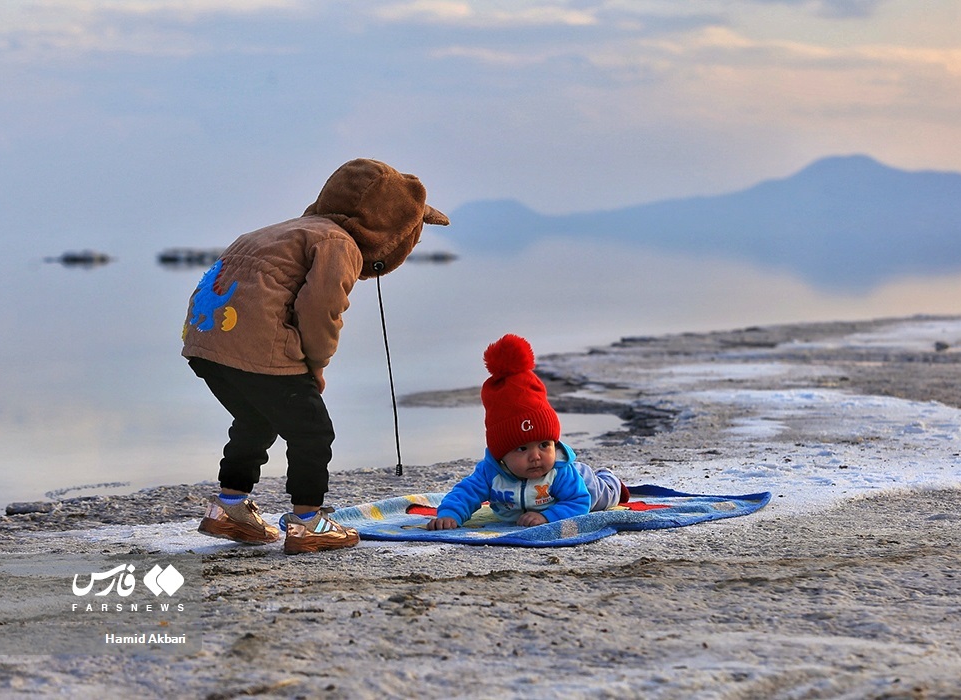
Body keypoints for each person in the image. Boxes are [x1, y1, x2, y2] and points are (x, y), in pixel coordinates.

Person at [183, 158, 449, 554]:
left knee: (255, 417)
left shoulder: (277, 231)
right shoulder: (338, 243)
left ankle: (229, 508)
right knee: (312, 431)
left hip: (205, 342)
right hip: (258, 343)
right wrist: (315, 365)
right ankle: (308, 521)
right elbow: (321, 308)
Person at [426, 334, 628, 530]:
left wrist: (546, 516)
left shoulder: (560, 471)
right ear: (501, 454)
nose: (536, 457)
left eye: (544, 445)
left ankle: (610, 479)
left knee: (603, 497)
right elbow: (465, 493)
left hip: (585, 483)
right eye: (522, 448)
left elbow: (579, 501)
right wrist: (450, 515)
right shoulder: (490, 472)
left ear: (554, 443)